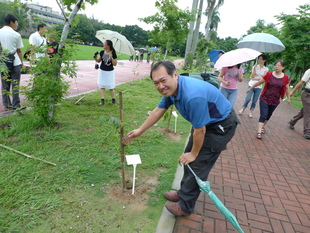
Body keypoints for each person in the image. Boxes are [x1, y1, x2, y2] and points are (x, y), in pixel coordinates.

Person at [126, 61, 239, 216]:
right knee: (188, 159)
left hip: (220, 126)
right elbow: (159, 110)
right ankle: (182, 192)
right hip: (205, 124)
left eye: (163, 80)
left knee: (197, 163)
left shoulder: (192, 95)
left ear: (175, 75)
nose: (160, 86)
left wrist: (194, 154)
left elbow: (200, 130)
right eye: (156, 83)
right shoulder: (172, 90)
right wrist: (140, 130)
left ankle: (185, 206)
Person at [246, 60, 290, 139]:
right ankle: (259, 132)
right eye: (275, 65)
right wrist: (251, 88)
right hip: (265, 98)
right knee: (263, 115)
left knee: (268, 116)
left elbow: (287, 88)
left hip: (275, 100)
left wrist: (288, 98)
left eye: (279, 65)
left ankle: (262, 126)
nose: (276, 67)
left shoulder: (286, 77)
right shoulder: (269, 74)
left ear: (283, 67)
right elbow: (259, 82)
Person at [0, 13, 24, 110]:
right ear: (11, 22)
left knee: (4, 84)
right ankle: (16, 104)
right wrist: (22, 62)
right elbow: (19, 51)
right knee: (15, 84)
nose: (16, 25)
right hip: (15, 61)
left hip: (3, 61)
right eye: (16, 22)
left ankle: (6, 104)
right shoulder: (16, 34)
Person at [288, 68, 310, 139]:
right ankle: (307, 131)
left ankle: (292, 121)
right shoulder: (309, 71)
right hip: (307, 95)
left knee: (305, 111)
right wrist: (292, 91)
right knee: (308, 113)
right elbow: (301, 82)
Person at [94, 40, 117, 105]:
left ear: (108, 45)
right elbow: (98, 61)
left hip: (110, 72)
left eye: (104, 44)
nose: (103, 45)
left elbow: (115, 64)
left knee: (111, 86)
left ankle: (113, 99)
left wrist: (111, 58)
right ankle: (102, 100)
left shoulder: (113, 53)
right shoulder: (102, 52)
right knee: (102, 85)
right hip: (102, 71)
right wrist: (95, 57)